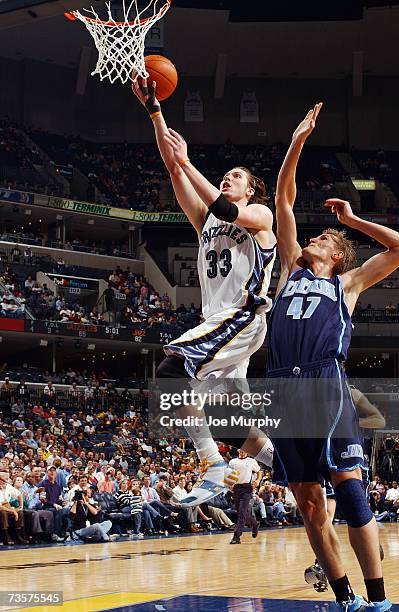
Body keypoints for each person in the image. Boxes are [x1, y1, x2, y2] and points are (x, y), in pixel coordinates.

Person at [270, 102, 395, 610]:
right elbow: (283, 198)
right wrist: (297, 141)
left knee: (352, 494)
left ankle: (380, 599)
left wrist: (353, 219)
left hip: (325, 384)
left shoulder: (347, 283)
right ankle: (345, 599)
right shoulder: (286, 271)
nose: (312, 238)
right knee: (308, 503)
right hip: (281, 388)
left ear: (337, 255)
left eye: (322, 238)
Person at [132, 79, 276, 506]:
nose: (226, 179)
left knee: (172, 371)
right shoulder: (205, 223)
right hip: (220, 325)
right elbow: (174, 168)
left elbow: (225, 207)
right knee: (237, 426)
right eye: (225, 176)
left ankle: (212, 463)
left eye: (235, 177)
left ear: (251, 190)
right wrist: (155, 111)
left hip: (243, 318)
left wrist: (190, 161)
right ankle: (303, 471)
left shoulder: (260, 216)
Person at [228, 449, 262, 544]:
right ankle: (255, 524)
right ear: (238, 450)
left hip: (247, 488)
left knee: (242, 513)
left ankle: (236, 536)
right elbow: (229, 474)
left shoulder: (251, 461)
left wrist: (258, 481)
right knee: (240, 512)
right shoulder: (232, 462)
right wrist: (230, 484)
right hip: (236, 488)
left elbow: (259, 471)